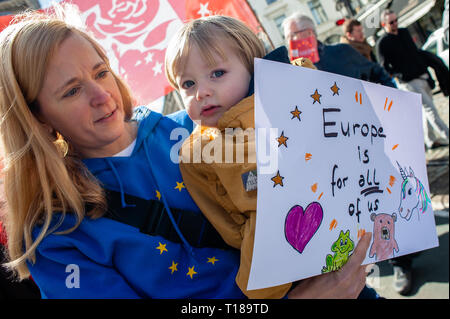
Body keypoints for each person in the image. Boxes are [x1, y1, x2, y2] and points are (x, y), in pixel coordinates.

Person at [0, 5, 372, 299]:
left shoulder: (203, 126)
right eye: (71, 91)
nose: (102, 96)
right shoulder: (57, 232)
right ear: (36, 117)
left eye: (100, 73)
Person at [165, 15, 376, 299]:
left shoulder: (289, 103)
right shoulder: (199, 149)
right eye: (188, 84)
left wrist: (261, 293)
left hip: (304, 270)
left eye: (217, 73)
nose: (201, 92)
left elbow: (264, 221)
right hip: (319, 263)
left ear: (253, 69)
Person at [376, 9, 449, 151]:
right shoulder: (382, 43)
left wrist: (427, 71)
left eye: (396, 20)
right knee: (430, 109)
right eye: (391, 22)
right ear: (384, 24)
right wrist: (399, 76)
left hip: (422, 75)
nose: (395, 24)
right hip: (408, 82)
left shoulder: (404, 32)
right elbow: (383, 67)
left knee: (427, 110)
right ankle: (447, 134)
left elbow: (415, 53)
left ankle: (430, 140)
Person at [282, 13, 396, 88]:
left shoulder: (342, 51)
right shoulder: (293, 71)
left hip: (362, 122)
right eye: (287, 38)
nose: (289, 41)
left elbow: (376, 72)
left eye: (292, 36)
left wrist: (390, 100)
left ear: (309, 33)